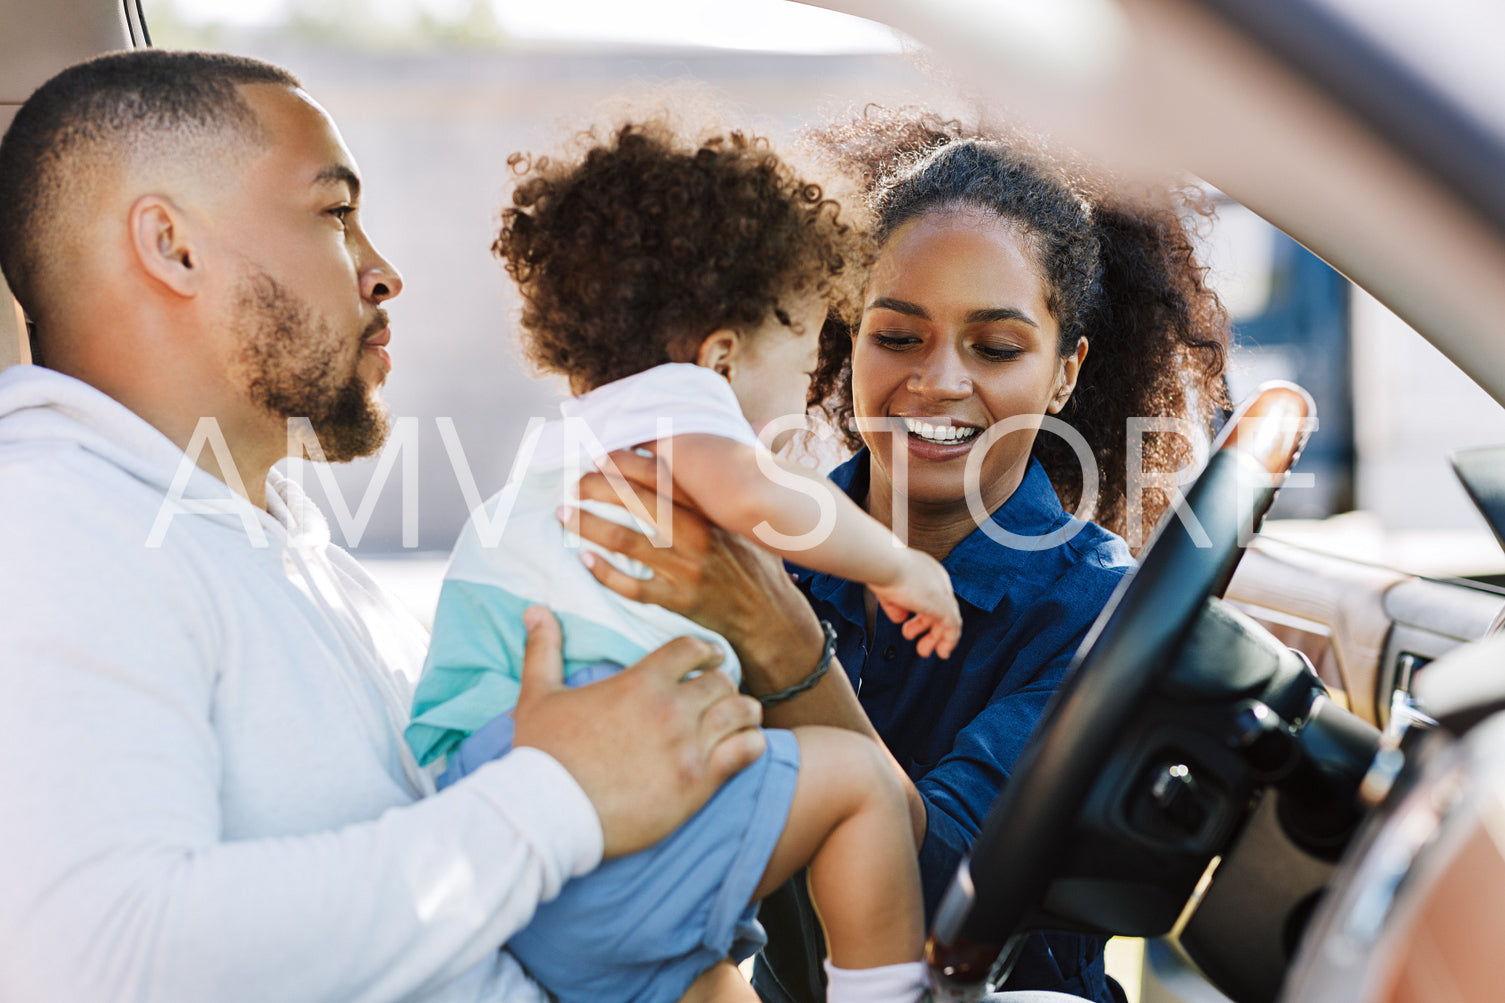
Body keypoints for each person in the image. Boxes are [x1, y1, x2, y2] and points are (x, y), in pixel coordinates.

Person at [0, 50, 768, 1003]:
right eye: (334, 213)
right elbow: (93, 962)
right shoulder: (48, 528)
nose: (383, 273)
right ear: (173, 246)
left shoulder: (277, 548)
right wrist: (560, 795)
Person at [560, 110, 1232, 1003]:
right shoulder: (744, 541)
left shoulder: (1097, 615)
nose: (939, 380)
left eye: (994, 347)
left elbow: (932, 900)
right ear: (846, 340)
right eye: (897, 335)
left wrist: (781, 640)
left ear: (1064, 372)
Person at [405, 119, 960, 1003]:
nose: (807, 395)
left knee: (708, 977)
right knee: (863, 788)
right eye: (806, 349)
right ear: (720, 355)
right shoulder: (679, 409)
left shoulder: (577, 442)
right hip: (596, 822)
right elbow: (758, 496)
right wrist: (895, 565)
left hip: (515, 865)